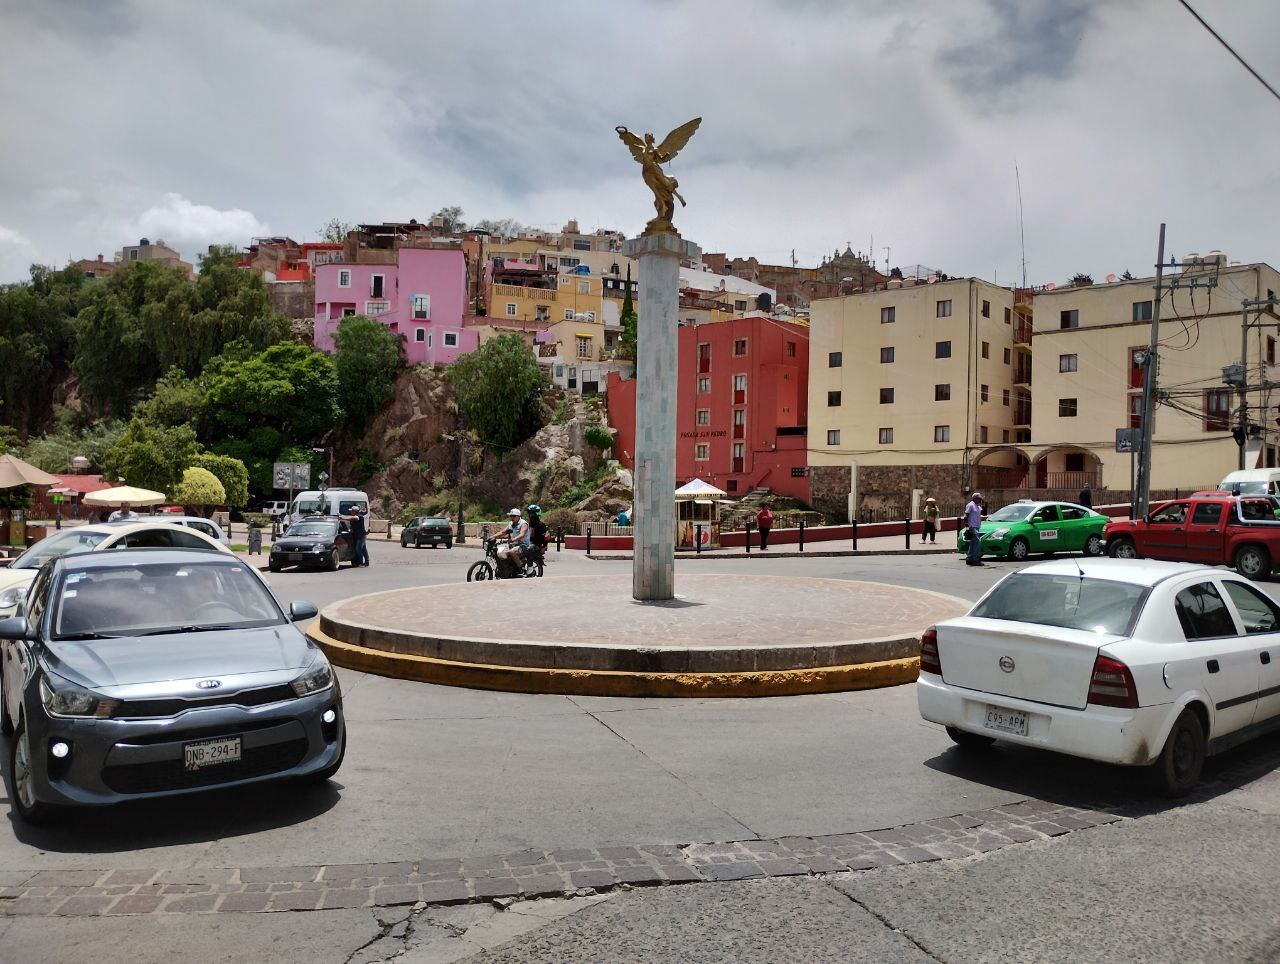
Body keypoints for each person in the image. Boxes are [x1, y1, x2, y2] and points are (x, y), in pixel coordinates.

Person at [501, 507, 531, 572]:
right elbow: (503, 532)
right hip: (513, 545)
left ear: (518, 516)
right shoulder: (511, 524)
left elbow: (522, 534)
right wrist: (492, 537)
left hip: (523, 546)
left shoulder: (523, 524)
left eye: (513, 516)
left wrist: (513, 539)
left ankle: (521, 568)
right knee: (501, 552)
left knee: (511, 552)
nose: (512, 518)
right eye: (510, 516)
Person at [963, 491, 985, 566]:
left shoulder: (978, 506)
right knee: (977, 543)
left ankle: (969, 558)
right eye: (979, 498)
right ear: (975, 498)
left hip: (977, 526)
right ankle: (976, 560)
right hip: (972, 526)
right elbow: (966, 516)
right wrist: (967, 526)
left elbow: (984, 512)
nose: (980, 500)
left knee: (973, 543)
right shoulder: (970, 505)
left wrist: (983, 502)